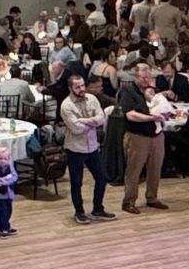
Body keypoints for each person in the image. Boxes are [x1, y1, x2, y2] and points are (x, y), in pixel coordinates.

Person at [58, 74, 113, 225]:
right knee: (77, 182)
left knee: (102, 177)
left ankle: (97, 208)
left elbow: (101, 119)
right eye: (77, 87)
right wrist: (92, 122)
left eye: (82, 85)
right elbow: (76, 129)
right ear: (70, 88)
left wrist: (84, 120)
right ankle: (79, 211)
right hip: (75, 148)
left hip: (92, 146)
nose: (81, 89)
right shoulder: (66, 105)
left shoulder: (92, 99)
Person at [116, 62, 171, 214]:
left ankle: (152, 197)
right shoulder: (128, 91)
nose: (147, 80)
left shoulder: (151, 91)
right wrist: (150, 117)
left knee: (155, 167)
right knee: (134, 170)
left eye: (149, 77)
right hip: (137, 136)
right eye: (143, 77)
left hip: (156, 135)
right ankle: (129, 201)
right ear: (136, 76)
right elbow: (130, 114)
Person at [0, 145, 19, 237]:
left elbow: (15, 177)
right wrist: (6, 178)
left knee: (9, 210)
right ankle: (3, 229)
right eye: (0, 158)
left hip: (8, 194)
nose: (3, 161)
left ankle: (6, 226)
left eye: (5, 158)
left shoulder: (10, 167)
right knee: (2, 212)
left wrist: (5, 181)